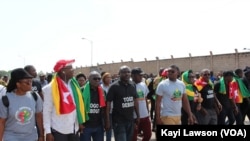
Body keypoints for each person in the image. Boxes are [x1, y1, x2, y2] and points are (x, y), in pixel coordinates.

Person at [43, 59, 86, 141]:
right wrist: (48, 132)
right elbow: (47, 111)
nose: (73, 69)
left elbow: (76, 106)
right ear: (63, 71)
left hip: (74, 129)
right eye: (70, 68)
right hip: (59, 130)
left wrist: (79, 122)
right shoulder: (50, 88)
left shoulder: (74, 85)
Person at [0, 68, 43, 141]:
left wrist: (41, 135)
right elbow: (2, 122)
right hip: (11, 137)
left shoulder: (35, 96)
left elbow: (39, 117)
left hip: (31, 137)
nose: (30, 84)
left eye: (31, 81)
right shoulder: (5, 99)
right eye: (27, 82)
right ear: (18, 84)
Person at [105, 65, 140, 141]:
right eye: (124, 72)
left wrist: (138, 115)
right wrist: (107, 120)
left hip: (130, 120)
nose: (126, 74)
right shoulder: (113, 87)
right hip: (118, 121)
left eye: (128, 72)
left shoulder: (133, 85)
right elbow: (108, 104)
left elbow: (135, 101)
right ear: (119, 74)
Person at [80, 71, 106, 141]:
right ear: (89, 79)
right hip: (86, 126)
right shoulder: (82, 90)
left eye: (99, 78)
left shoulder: (102, 91)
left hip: (98, 125)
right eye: (95, 78)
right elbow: (78, 108)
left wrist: (105, 122)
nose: (97, 80)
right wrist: (80, 123)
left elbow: (104, 108)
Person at [131, 67, 151, 141]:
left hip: (145, 115)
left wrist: (147, 110)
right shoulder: (129, 85)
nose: (141, 77)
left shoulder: (143, 85)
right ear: (132, 75)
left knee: (148, 134)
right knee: (133, 137)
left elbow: (145, 98)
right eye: (139, 75)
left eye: (142, 75)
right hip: (134, 117)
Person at [100, 72, 112, 141]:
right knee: (102, 128)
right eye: (107, 77)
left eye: (110, 77)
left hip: (110, 111)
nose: (109, 79)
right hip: (102, 111)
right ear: (104, 78)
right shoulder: (100, 87)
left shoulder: (112, 87)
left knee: (109, 128)